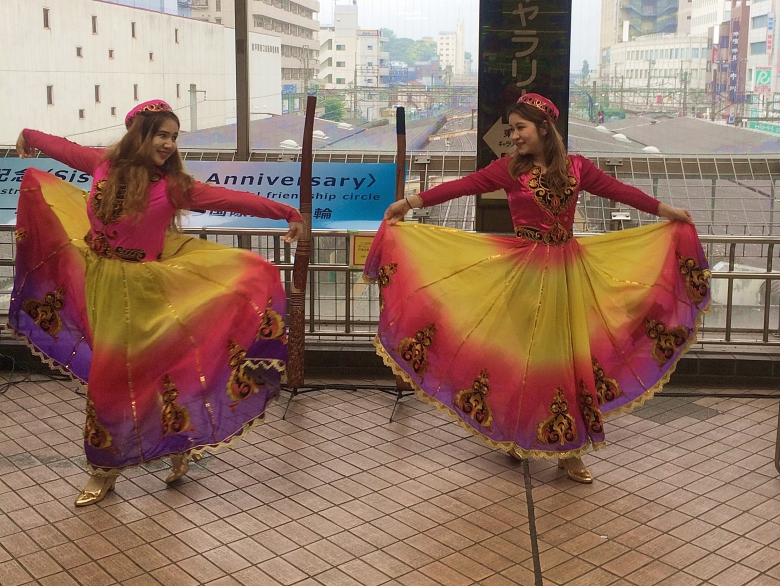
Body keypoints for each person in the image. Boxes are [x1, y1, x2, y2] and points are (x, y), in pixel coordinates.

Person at [365, 93, 709, 483]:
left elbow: (621, 192)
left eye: (520, 128)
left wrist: (669, 213)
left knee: (566, 359)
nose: (514, 136)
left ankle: (570, 450)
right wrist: (409, 203)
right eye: (511, 129)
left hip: (567, 274)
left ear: (544, 128)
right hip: (523, 276)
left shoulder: (578, 168)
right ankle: (516, 434)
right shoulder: (510, 169)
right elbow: (464, 186)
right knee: (522, 360)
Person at [11, 100, 305, 505]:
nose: (168, 144)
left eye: (173, 137)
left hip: (144, 293)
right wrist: (28, 135)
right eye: (161, 135)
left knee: (118, 379)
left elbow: (229, 199)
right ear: (139, 135)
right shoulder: (101, 165)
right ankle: (163, 449)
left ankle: (105, 469)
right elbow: (57, 146)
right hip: (97, 285)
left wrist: (286, 211)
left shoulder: (174, 186)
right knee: (130, 376)